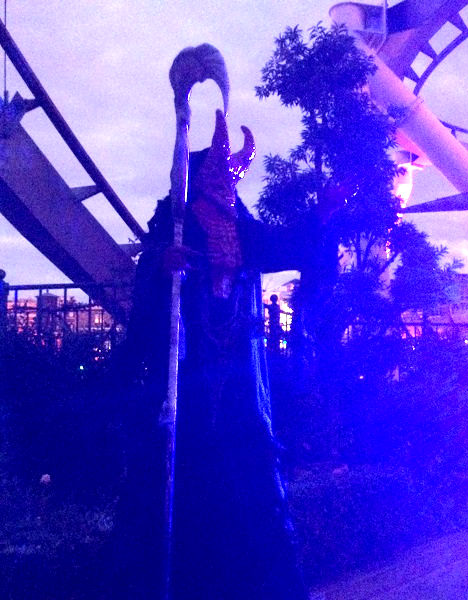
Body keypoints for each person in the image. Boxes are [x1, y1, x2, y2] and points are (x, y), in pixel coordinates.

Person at [113, 111, 338, 599]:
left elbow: (286, 245)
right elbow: (147, 283)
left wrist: (321, 214)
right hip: (187, 372)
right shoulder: (174, 220)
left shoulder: (242, 224)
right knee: (182, 475)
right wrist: (164, 267)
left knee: (250, 478)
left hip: (238, 375)